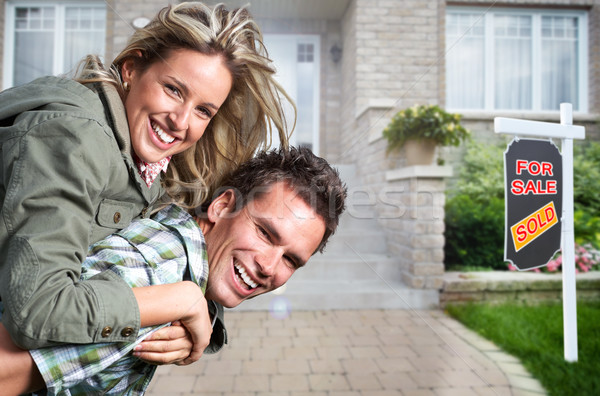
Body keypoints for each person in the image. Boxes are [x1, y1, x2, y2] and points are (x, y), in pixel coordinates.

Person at [0, 1, 292, 367]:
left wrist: (199, 314)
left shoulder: (150, 165)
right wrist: (182, 300)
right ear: (131, 68)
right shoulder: (73, 138)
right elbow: (37, 310)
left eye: (204, 110)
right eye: (173, 89)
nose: (181, 122)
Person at [0, 147, 347, 396]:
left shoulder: (176, 233)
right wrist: (178, 301)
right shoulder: (157, 276)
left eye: (291, 260)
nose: (268, 266)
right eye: (265, 233)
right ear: (222, 206)